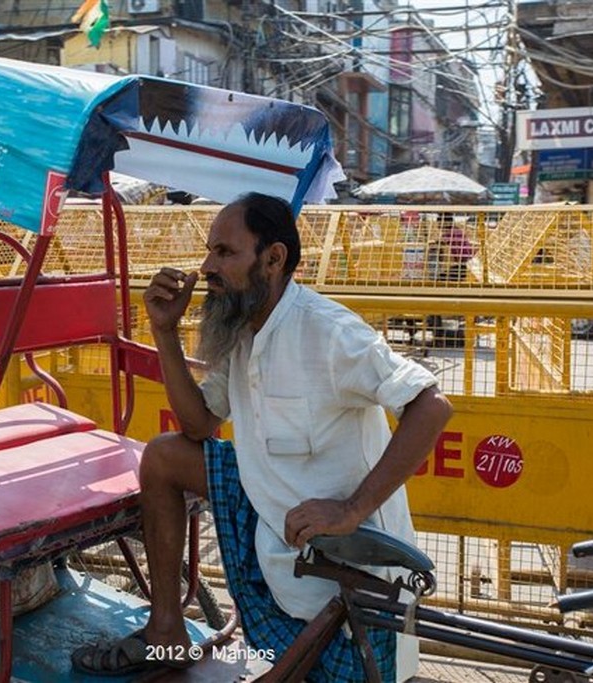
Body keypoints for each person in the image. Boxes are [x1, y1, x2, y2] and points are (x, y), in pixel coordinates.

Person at [72, 193, 452, 680]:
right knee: (166, 456)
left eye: (225, 253)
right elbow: (199, 425)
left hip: (341, 562)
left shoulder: (329, 331)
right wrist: (164, 332)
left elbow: (431, 406)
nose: (207, 267)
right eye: (210, 251)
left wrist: (351, 510)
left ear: (273, 259)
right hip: (272, 515)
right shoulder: (243, 329)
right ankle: (165, 629)